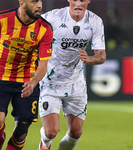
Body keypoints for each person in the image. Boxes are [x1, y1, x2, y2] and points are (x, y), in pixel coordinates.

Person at [0, 0, 53, 149]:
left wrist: (33, 83)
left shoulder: (45, 29)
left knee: (21, 132)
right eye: (34, 1)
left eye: (40, 1)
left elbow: (43, 65)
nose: (39, 5)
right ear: (22, 2)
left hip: (26, 81)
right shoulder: (2, 18)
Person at [37, 0, 106, 150]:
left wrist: (90, 59)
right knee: (51, 132)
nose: (78, 4)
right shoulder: (52, 17)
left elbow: (101, 55)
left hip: (76, 83)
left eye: (82, 0)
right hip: (50, 81)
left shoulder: (95, 21)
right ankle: (45, 143)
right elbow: (32, 34)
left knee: (76, 132)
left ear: (88, 1)